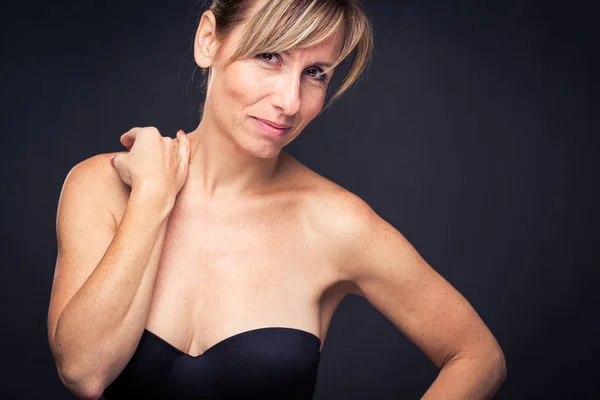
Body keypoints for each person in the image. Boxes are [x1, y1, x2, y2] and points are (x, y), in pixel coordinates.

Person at [47, 0, 506, 399]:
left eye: (315, 73)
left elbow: (477, 356)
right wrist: (151, 199)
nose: (289, 101)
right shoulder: (104, 186)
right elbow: (84, 373)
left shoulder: (334, 222)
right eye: (269, 56)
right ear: (209, 40)